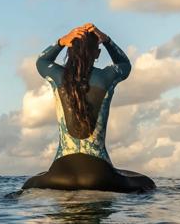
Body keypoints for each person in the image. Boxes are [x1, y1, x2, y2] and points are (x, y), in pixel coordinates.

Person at [22, 23, 155, 193]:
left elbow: (42, 61)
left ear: (69, 50)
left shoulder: (57, 75)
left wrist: (61, 42)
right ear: (97, 53)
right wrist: (106, 40)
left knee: (29, 184)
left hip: (60, 173)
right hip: (99, 175)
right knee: (147, 183)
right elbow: (124, 63)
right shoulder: (107, 76)